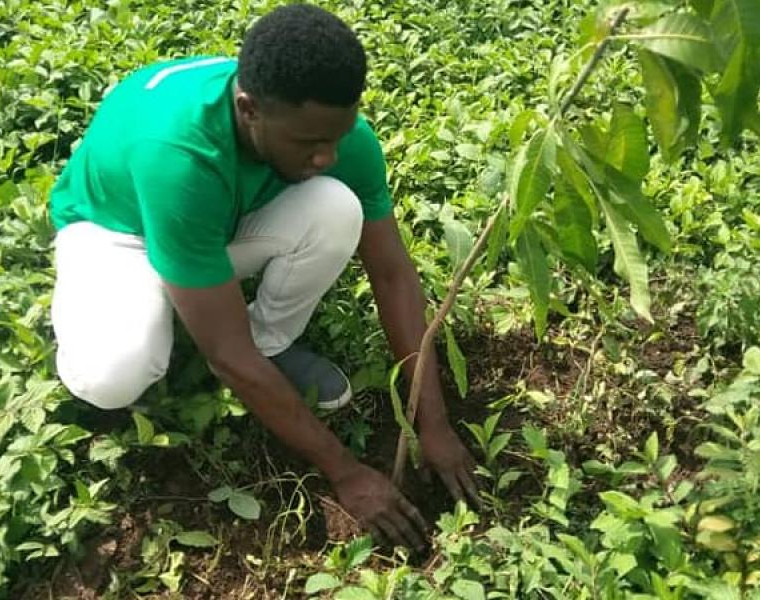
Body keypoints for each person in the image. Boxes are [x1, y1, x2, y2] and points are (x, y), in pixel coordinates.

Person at [48, 3, 479, 549]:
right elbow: (226, 354)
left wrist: (432, 423)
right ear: (248, 109)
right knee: (115, 375)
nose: (326, 155)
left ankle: (266, 340)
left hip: (215, 219)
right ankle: (133, 303)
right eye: (307, 144)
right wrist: (345, 471)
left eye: (337, 137)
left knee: (336, 208)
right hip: (119, 228)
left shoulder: (336, 138)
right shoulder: (178, 156)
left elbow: (392, 274)